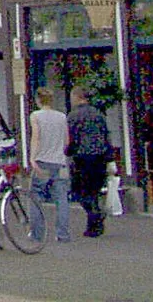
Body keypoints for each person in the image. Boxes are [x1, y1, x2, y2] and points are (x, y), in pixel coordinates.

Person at [65, 90, 112, 238]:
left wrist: (68, 151)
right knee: (94, 190)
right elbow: (106, 135)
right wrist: (109, 156)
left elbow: (71, 136)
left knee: (79, 191)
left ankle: (95, 215)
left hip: (82, 156)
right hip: (100, 156)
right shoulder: (99, 114)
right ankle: (94, 224)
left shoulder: (73, 116)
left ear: (77, 97)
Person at [27, 88, 71, 244]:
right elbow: (66, 141)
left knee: (35, 197)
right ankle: (62, 233)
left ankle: (37, 234)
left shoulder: (36, 116)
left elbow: (36, 138)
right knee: (62, 198)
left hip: (42, 161)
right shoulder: (62, 117)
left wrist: (32, 158)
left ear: (38, 100)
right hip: (59, 162)